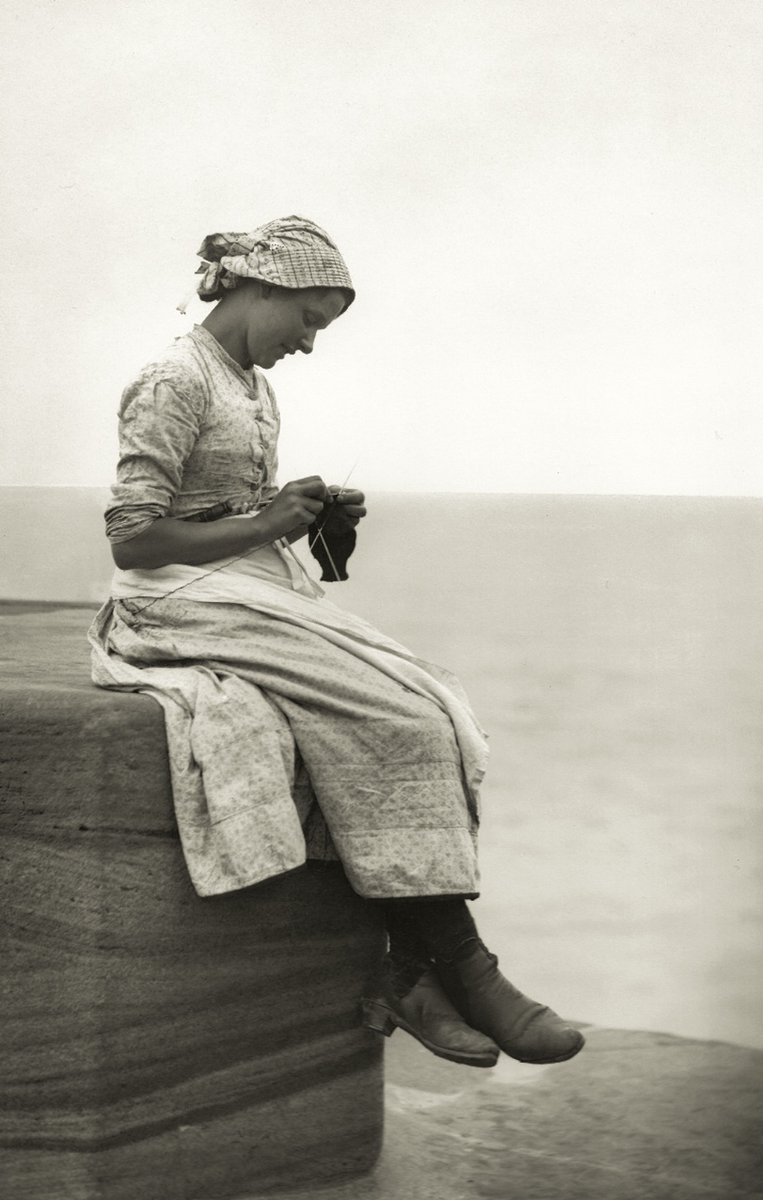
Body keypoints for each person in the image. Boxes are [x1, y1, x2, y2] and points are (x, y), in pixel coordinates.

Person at [89, 216, 585, 1070]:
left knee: (430, 703)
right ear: (262, 289)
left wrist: (310, 522)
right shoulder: (173, 378)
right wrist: (269, 520)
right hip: (170, 604)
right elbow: (134, 539)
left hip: (239, 588)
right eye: (310, 319)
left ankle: (422, 969)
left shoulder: (250, 383)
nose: (311, 344)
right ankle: (459, 969)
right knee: (401, 719)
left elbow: (229, 515)